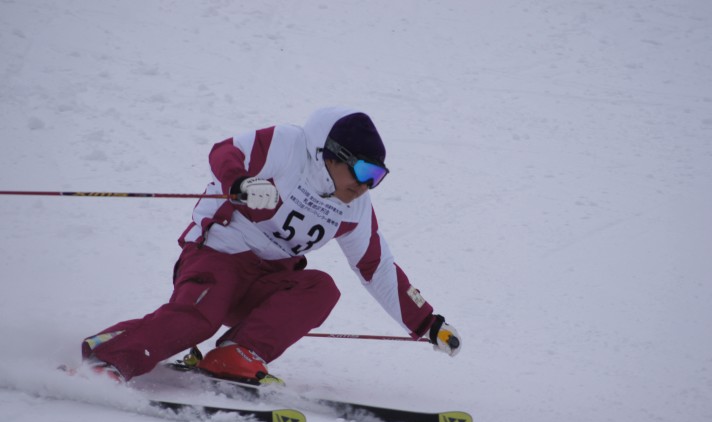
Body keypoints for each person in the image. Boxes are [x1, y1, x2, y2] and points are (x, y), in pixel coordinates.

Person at [81, 107, 462, 383]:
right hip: (218, 255)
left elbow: (376, 268)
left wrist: (428, 323)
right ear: (331, 155)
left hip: (266, 281)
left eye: (377, 177)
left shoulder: (355, 207)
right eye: (363, 171)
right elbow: (224, 152)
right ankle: (110, 360)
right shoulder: (289, 146)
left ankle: (236, 353)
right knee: (199, 319)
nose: (366, 185)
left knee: (321, 289)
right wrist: (240, 184)